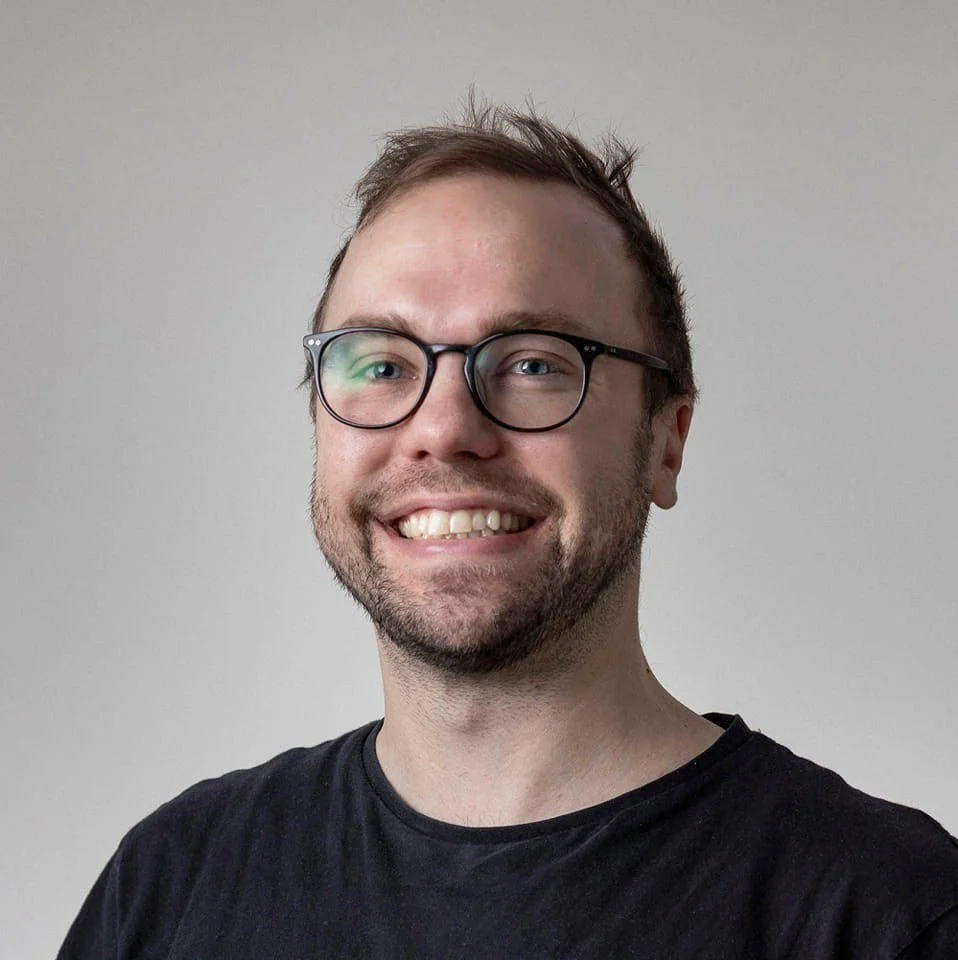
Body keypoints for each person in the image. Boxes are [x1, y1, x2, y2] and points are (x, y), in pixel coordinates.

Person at [58, 99, 958, 959]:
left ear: (666, 442)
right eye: (381, 364)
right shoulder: (172, 883)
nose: (444, 428)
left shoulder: (891, 912)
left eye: (532, 363)